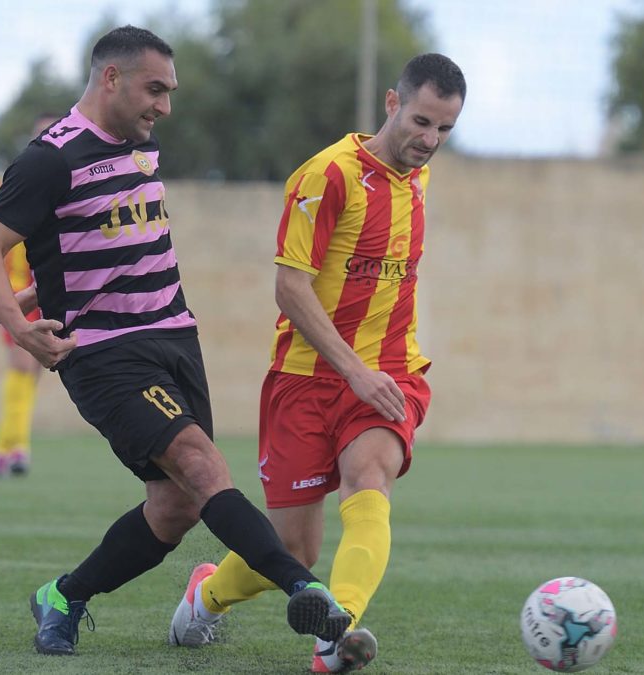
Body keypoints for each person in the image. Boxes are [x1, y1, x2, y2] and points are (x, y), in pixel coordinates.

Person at [0, 25, 350, 656]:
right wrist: (22, 327)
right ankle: (309, 594)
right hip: (104, 351)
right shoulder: (47, 158)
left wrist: (50, 286)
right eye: (154, 90)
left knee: (175, 507)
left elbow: (102, 232)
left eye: (170, 93)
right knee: (202, 466)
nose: (164, 106)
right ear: (110, 78)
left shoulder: (142, 142)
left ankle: (62, 595)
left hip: (175, 334)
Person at [168, 53, 466, 672]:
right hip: (305, 380)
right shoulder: (326, 176)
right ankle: (209, 593)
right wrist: (352, 369)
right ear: (391, 102)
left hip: (389, 374)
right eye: (421, 121)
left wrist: (369, 374)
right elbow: (289, 289)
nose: (429, 140)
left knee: (372, 473)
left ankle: (338, 633)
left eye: (444, 129)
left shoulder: (418, 178)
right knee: (292, 550)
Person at [0, 114, 59, 478]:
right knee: (23, 365)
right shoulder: (14, 181)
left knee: (31, 372)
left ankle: (8, 447)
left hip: (47, 289)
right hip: (15, 291)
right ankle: (11, 451)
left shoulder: (68, 181)